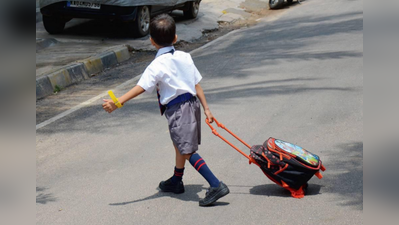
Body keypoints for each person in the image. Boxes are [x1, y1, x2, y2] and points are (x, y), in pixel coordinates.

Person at [102, 14, 229, 206]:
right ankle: (176, 181)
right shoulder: (184, 56)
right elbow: (196, 85)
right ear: (175, 38)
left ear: (151, 41)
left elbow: (141, 87)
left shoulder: (156, 65)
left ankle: (215, 184)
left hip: (179, 109)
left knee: (186, 149)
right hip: (192, 105)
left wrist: (118, 102)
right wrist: (207, 109)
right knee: (179, 143)